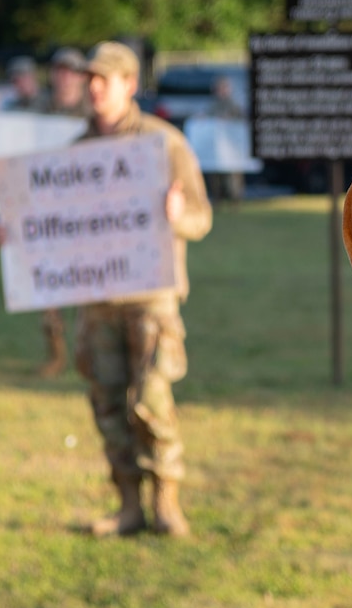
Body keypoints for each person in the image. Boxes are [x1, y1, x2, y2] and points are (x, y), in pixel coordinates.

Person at [72, 41, 212, 537]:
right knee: (107, 403)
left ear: (129, 85)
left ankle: (166, 503)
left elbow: (202, 217)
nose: (92, 88)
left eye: (102, 80)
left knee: (151, 399)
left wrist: (178, 218)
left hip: (150, 297)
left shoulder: (162, 143)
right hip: (97, 299)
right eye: (89, 78)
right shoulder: (77, 152)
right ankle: (128, 505)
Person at [35, 48, 92, 376]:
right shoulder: (38, 111)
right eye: (60, 70)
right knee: (48, 285)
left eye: (72, 71)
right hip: (49, 210)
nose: (65, 77)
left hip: (86, 212)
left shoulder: (93, 112)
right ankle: (55, 353)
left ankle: (88, 352)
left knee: (88, 286)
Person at [210, 74, 247, 203]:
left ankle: (235, 199)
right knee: (216, 174)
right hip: (217, 148)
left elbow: (241, 120)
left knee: (233, 175)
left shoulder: (234, 105)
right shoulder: (213, 106)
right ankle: (217, 198)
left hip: (232, 147)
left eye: (224, 87)